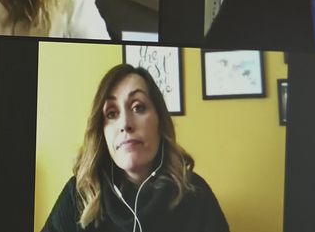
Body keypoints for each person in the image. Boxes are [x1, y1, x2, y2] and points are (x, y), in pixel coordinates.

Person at [41, 65, 229, 232]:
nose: (125, 124)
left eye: (138, 107)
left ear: (160, 122)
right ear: (102, 132)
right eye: (112, 113)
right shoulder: (80, 192)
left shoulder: (196, 194)